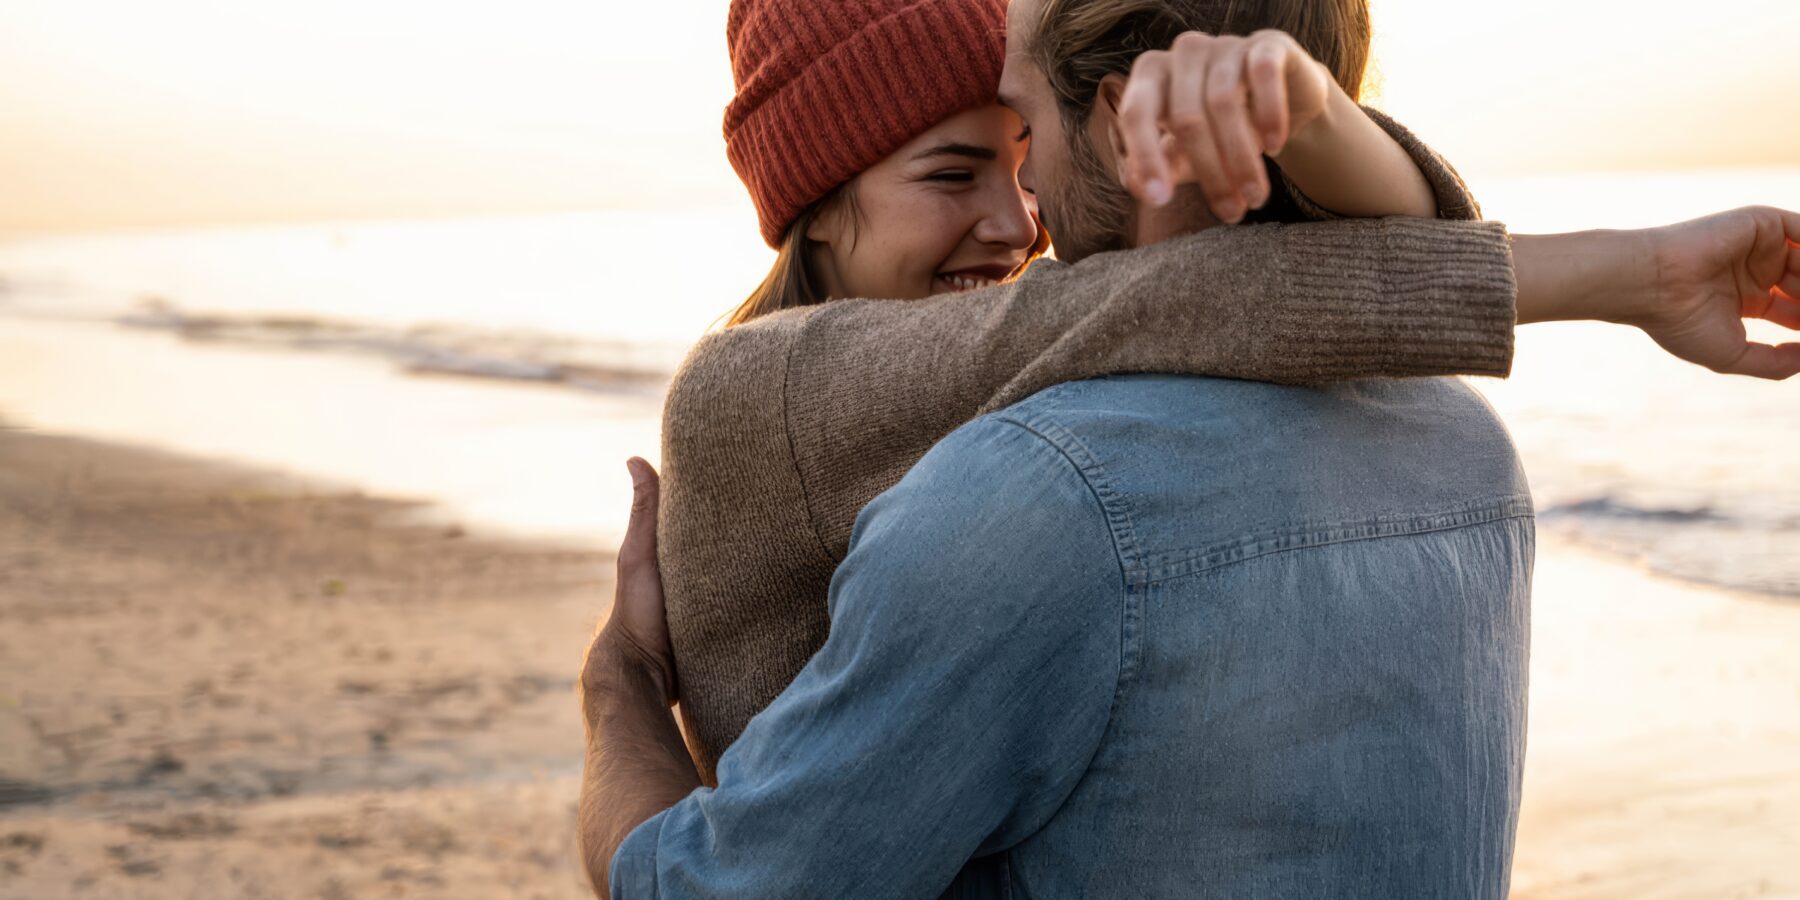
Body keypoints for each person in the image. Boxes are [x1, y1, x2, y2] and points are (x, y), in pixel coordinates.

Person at [579, 0, 1800, 895]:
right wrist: (616, 687)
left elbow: (1209, 292)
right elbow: (1197, 295)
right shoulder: (766, 390)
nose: (1020, 222)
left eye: (1019, 148)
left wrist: (1307, 119)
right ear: (812, 204)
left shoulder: (1039, 449)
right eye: (952, 172)